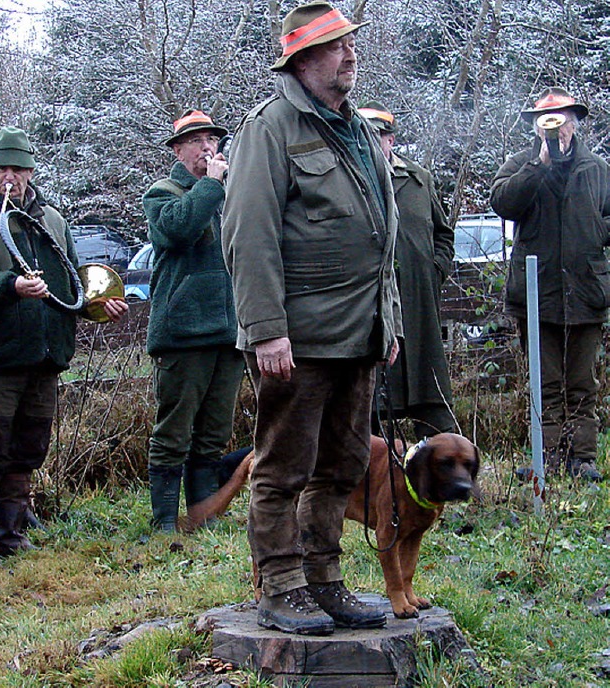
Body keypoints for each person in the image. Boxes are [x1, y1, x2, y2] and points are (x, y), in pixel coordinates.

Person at [222, 1, 402, 635]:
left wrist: (391, 322)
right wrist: (267, 328)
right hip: (296, 340)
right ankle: (279, 584)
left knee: (342, 467)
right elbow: (249, 235)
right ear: (300, 61)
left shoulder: (355, 127)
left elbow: (383, 236)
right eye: (334, 48)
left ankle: (324, 581)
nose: (349, 56)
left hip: (360, 334)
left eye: (351, 45)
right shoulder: (267, 129)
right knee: (282, 467)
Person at [0, 126, 128, 566]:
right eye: (3, 168)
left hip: (46, 359)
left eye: (19, 169)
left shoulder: (53, 221)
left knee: (27, 448)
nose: (11, 177)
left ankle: (12, 536)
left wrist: (98, 305)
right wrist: (12, 285)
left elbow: (70, 283)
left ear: (31, 171)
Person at [491, 87, 610, 482]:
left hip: (586, 291)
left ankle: (583, 460)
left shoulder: (596, 168)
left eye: (563, 118)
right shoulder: (521, 164)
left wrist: (593, 234)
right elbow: (504, 202)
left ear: (575, 122)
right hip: (536, 295)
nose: (557, 126)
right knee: (545, 384)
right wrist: (538, 166)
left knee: (581, 383)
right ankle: (549, 459)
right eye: (548, 120)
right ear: (537, 127)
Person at [143, 109, 244, 531]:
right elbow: (178, 230)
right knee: (174, 433)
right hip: (183, 334)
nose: (208, 147)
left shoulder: (230, 194)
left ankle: (202, 515)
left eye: (213, 140)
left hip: (230, 332)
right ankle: (164, 520)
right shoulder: (163, 192)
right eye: (198, 141)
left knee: (214, 434)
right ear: (178, 149)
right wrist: (210, 185)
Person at [359, 101, 456, 440]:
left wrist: (433, 273)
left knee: (428, 385)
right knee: (366, 399)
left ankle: (441, 466)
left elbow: (443, 234)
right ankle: (371, 478)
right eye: (367, 135)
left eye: (381, 135)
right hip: (367, 306)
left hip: (417, 302)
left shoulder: (418, 180)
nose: (375, 142)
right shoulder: (348, 182)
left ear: (391, 139)